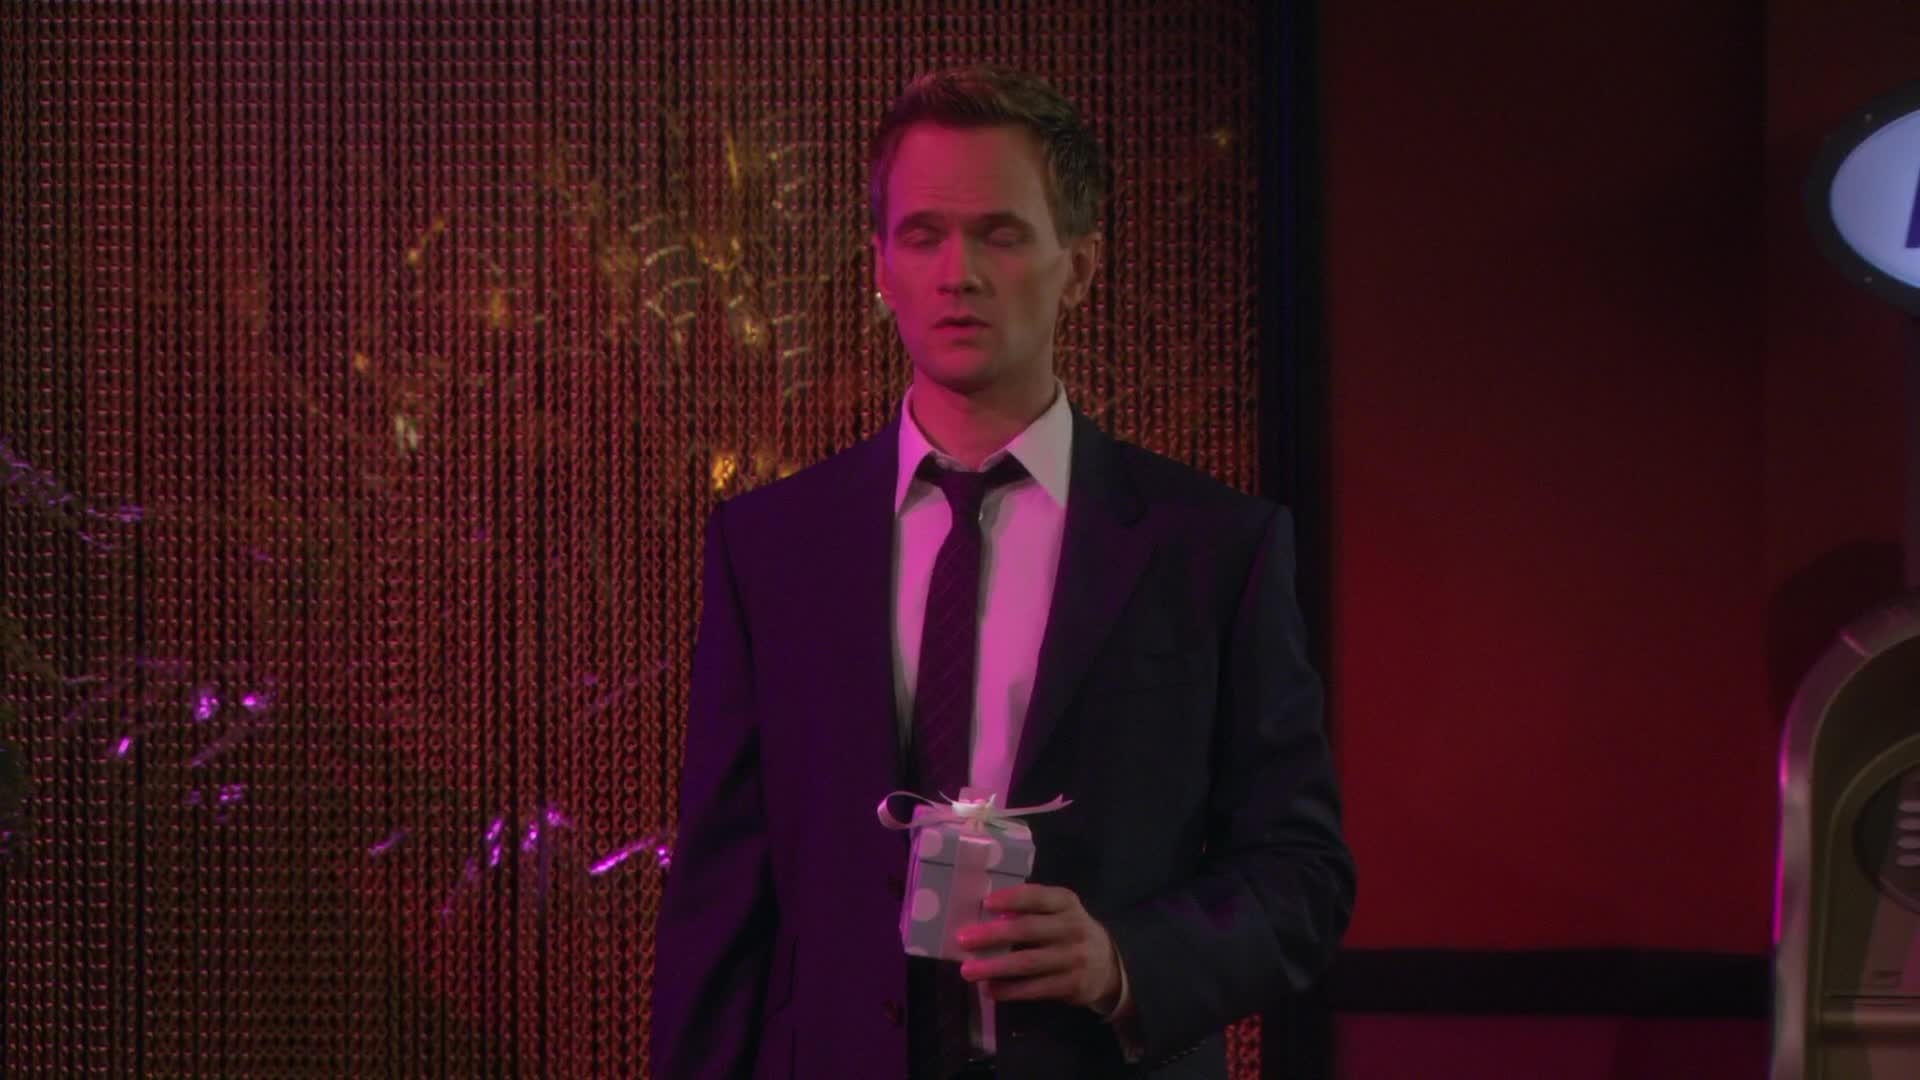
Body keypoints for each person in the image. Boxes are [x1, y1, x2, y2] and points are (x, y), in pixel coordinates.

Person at [652, 66, 1353, 1080]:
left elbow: (1302, 876)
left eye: (1002, 235)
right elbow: (720, 901)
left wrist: (1121, 962)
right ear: (880, 267)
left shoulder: (1213, 547)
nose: (959, 273)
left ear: (1081, 266)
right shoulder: (772, 547)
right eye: (923, 236)